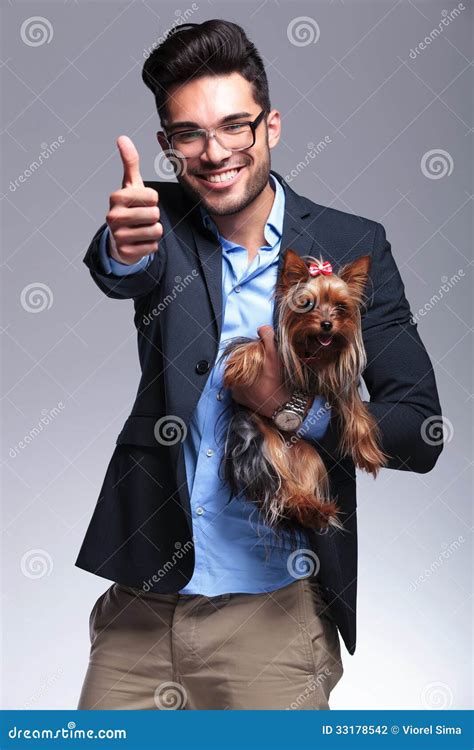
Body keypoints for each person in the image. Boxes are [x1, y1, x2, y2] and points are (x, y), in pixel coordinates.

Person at [76, 19, 443, 711]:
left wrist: (290, 408)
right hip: (141, 610)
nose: (215, 152)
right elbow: (124, 266)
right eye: (189, 134)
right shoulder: (157, 221)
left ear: (270, 124)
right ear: (168, 147)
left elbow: (420, 431)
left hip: (272, 620)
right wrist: (120, 250)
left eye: (235, 126)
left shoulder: (350, 242)